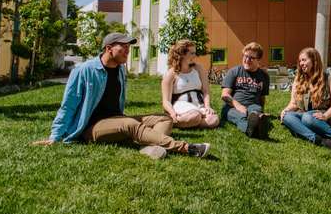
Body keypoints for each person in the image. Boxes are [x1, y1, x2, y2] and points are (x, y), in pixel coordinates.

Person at [32, 33, 210, 159]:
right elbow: (68, 105)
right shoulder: (84, 71)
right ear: (109, 48)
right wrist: (55, 136)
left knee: (164, 119)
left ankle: (150, 146)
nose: (127, 51)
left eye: (128, 47)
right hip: (90, 127)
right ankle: (186, 148)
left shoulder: (119, 71)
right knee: (130, 124)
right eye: (123, 47)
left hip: (117, 119)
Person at [280, 47, 331, 151]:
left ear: (314, 61)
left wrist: (325, 115)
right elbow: (293, 103)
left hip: (324, 118)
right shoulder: (298, 80)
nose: (301, 63)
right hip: (304, 115)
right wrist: (285, 110)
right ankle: (319, 140)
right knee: (288, 116)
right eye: (300, 61)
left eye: (304, 60)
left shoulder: (329, 78)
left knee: (307, 118)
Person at [161, 39, 219, 129]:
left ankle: (190, 122)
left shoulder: (198, 68)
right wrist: (172, 113)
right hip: (180, 107)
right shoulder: (171, 74)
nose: (195, 56)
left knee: (214, 120)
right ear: (182, 54)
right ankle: (176, 120)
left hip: (199, 105)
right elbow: (166, 101)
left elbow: (206, 91)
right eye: (192, 53)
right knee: (195, 116)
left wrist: (207, 106)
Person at [221, 42, 270, 139]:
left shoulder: (264, 76)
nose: (247, 60)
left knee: (255, 111)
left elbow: (262, 97)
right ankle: (252, 130)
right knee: (240, 116)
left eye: (251, 58)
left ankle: (258, 120)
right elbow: (225, 95)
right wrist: (238, 106)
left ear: (258, 59)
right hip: (232, 107)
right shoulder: (234, 71)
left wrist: (261, 111)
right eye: (245, 56)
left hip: (253, 106)